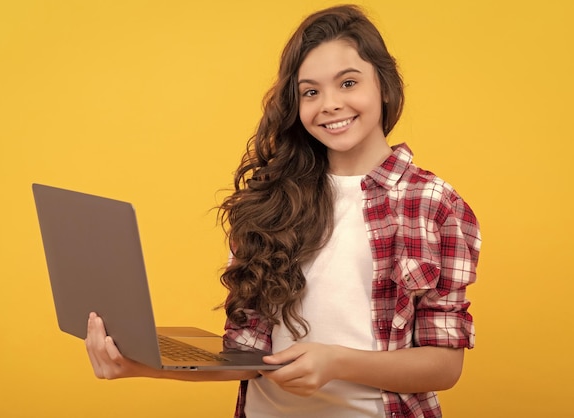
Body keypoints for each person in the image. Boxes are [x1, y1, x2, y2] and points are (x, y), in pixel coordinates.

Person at [85, 4, 481, 417]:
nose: (329, 104)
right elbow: (248, 357)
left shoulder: (435, 204)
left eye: (348, 83)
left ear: (384, 84)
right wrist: (143, 364)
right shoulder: (271, 202)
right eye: (310, 91)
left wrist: (337, 361)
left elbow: (444, 365)